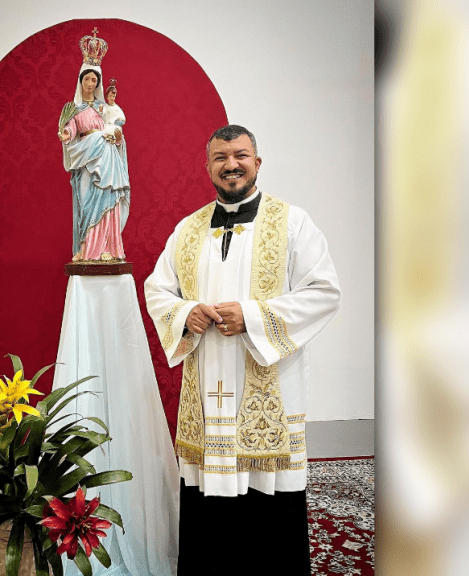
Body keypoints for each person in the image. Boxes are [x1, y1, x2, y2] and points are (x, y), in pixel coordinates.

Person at [144, 125, 341, 574]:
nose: (231, 165)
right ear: (207, 165)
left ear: (257, 161)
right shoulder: (188, 230)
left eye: (240, 155)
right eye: (220, 157)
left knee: (268, 505)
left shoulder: (292, 222)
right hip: (207, 392)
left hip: (269, 390)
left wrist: (252, 318)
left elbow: (324, 292)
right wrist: (185, 313)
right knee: (207, 510)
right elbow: (158, 290)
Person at [58, 65, 130, 263]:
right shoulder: (74, 108)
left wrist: (116, 134)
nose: (90, 84)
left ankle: (107, 246)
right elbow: (71, 129)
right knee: (86, 200)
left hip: (106, 156)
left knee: (107, 197)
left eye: (94, 80)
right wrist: (67, 134)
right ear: (81, 81)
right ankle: (86, 247)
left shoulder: (103, 107)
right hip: (86, 156)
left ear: (98, 84)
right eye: (87, 79)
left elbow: (116, 128)